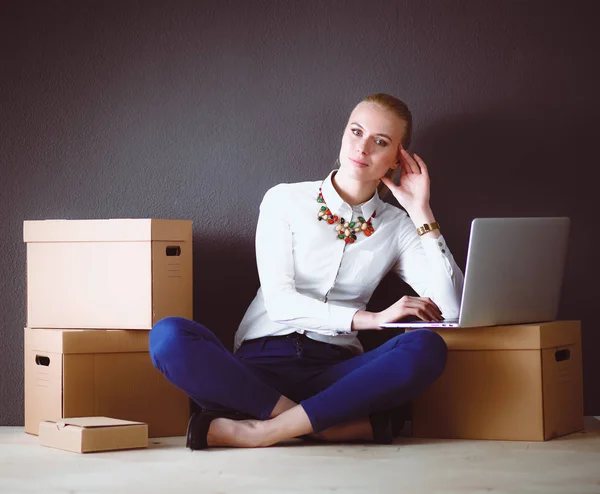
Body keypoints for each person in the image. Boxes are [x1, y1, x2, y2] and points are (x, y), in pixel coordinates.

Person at [149, 93, 464, 450]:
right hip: (256, 372)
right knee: (168, 336)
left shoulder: (397, 225)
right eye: (356, 132)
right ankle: (324, 426)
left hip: (335, 376)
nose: (363, 147)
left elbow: (451, 310)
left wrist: (422, 212)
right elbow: (281, 303)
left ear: (397, 159)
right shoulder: (284, 199)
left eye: (380, 142)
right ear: (344, 134)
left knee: (427, 346)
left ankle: (264, 431)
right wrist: (374, 319)